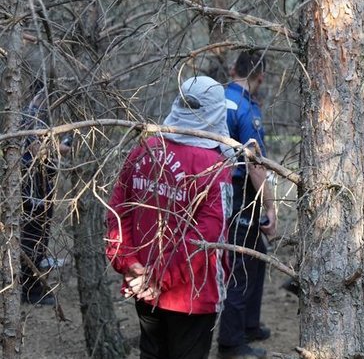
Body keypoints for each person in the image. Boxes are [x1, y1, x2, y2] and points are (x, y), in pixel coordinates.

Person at [105, 76, 233, 359]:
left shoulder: (144, 149)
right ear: (216, 111)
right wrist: (152, 275)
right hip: (191, 296)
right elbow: (206, 238)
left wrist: (129, 263)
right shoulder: (214, 167)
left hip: (143, 284)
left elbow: (116, 212)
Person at [217, 51, 277, 359]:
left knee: (257, 256)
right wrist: (270, 207)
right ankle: (231, 343)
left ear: (232, 69)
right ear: (260, 77)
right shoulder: (246, 108)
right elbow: (255, 165)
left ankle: (249, 323)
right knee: (240, 263)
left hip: (214, 189)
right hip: (239, 191)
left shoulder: (217, 98)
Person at [20, 82, 71, 306]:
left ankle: (32, 285)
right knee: (33, 238)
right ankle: (29, 289)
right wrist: (59, 149)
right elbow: (36, 150)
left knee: (39, 237)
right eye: (46, 95)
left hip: (41, 188)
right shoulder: (30, 116)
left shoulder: (38, 115)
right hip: (33, 191)